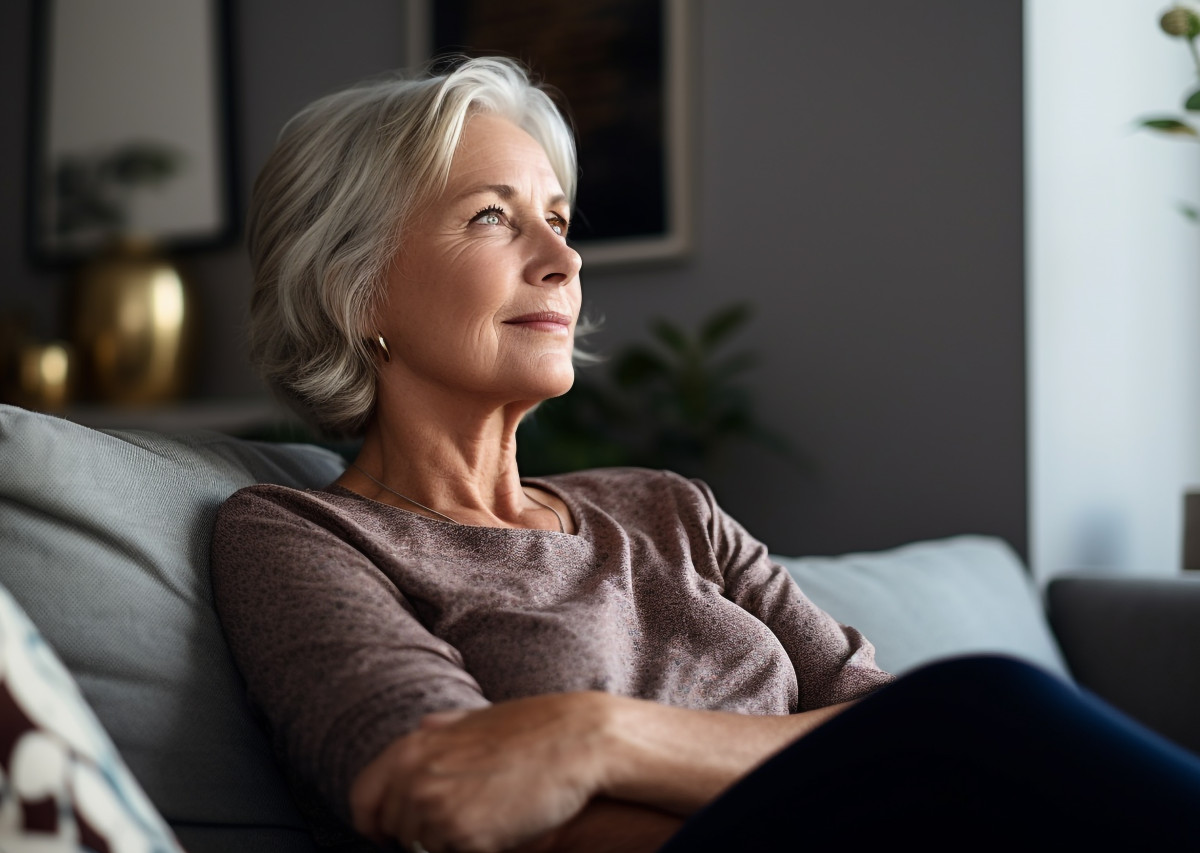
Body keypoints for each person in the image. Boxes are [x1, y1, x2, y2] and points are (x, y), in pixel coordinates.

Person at [211, 57, 1200, 853]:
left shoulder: (667, 509)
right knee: (989, 704)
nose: (561, 259)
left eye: (556, 219)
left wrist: (595, 737)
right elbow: (449, 796)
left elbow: (888, 726)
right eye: (490, 217)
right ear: (352, 285)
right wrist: (843, 770)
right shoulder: (296, 534)